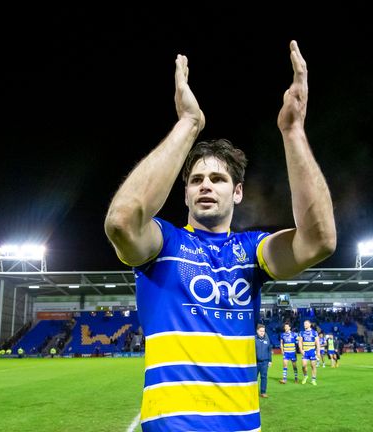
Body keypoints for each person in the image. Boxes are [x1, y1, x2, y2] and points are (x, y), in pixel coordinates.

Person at [103, 40, 336, 432]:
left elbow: (319, 240)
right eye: (196, 180)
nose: (205, 185)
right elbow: (121, 221)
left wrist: (293, 131)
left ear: (237, 192)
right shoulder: (164, 245)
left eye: (217, 178)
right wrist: (188, 124)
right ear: (186, 194)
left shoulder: (252, 253)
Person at [298, 319, 321, 385]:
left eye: (306, 324)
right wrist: (301, 350)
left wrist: (318, 352)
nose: (304, 325)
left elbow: (317, 343)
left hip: (312, 351)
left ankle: (313, 379)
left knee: (313, 366)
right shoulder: (302, 332)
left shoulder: (314, 332)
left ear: (310, 324)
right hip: (305, 352)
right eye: (304, 324)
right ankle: (305, 376)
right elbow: (300, 342)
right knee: (303, 365)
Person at [255, 323, 273, 398]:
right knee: (253, 378)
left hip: (265, 362)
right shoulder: (253, 339)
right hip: (255, 362)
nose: (262, 332)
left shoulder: (267, 338)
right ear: (257, 331)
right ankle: (252, 392)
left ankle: (263, 392)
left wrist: (270, 360)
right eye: (261, 331)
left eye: (263, 331)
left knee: (264, 377)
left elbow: (269, 350)